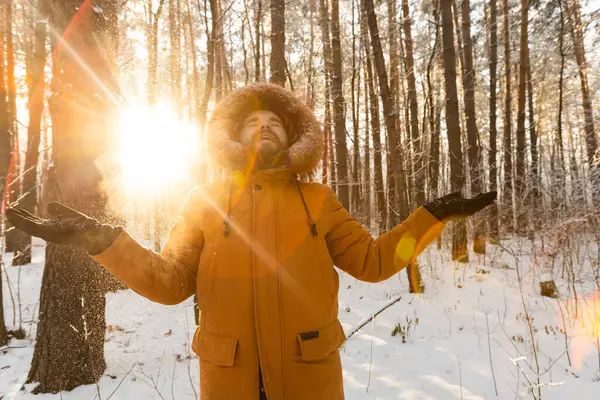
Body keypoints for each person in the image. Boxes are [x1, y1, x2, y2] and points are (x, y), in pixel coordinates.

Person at [7, 83, 496, 400]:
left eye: (276, 123)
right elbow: (172, 281)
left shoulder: (318, 200)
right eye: (253, 123)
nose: (264, 128)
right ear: (234, 137)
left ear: (292, 138)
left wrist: (429, 220)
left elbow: (374, 261)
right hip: (229, 379)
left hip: (310, 378)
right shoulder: (206, 200)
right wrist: (102, 241)